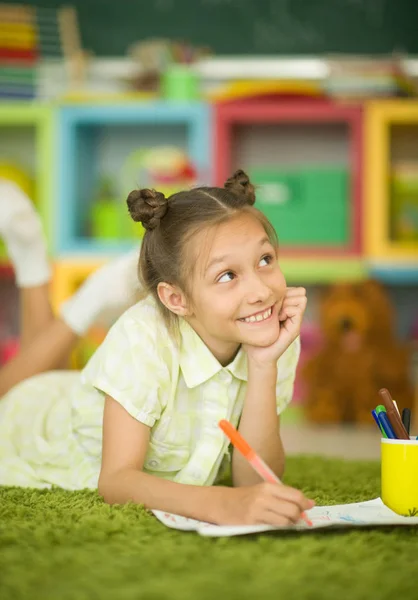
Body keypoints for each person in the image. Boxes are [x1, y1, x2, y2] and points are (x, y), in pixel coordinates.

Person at [0, 171, 314, 526]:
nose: (261, 291)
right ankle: (67, 284)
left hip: (87, 391)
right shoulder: (141, 336)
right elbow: (116, 481)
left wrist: (263, 365)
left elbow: (256, 482)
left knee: (48, 373)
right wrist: (221, 504)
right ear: (176, 299)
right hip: (41, 426)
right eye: (228, 275)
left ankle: (79, 290)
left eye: (265, 260)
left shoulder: (271, 332)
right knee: (10, 396)